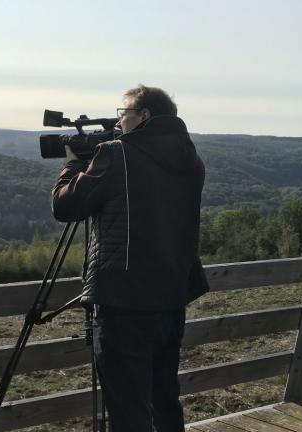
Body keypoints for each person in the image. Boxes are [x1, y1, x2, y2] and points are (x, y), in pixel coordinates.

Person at [51, 84, 209, 431]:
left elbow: (66, 206)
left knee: (128, 409)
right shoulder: (192, 162)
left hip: (124, 301)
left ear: (144, 116)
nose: (119, 123)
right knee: (164, 400)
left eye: (123, 115)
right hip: (171, 299)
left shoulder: (116, 154)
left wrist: (72, 166)